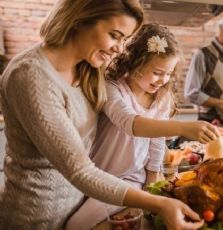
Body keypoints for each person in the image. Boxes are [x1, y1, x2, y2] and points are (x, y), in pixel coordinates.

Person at [0, 1, 210, 229]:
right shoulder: (31, 75)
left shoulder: (87, 68)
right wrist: (157, 203)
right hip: (38, 217)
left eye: (124, 40)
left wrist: (152, 180)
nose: (120, 49)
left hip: (81, 202)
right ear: (80, 19)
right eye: (115, 35)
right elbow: (79, 169)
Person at [66, 23, 220, 229]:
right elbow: (130, 124)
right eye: (157, 72)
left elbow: (156, 143)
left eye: (168, 73)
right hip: (99, 176)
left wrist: (151, 183)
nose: (163, 80)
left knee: (76, 226)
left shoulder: (162, 98)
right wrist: (182, 128)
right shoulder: (113, 88)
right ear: (136, 62)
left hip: (131, 179)